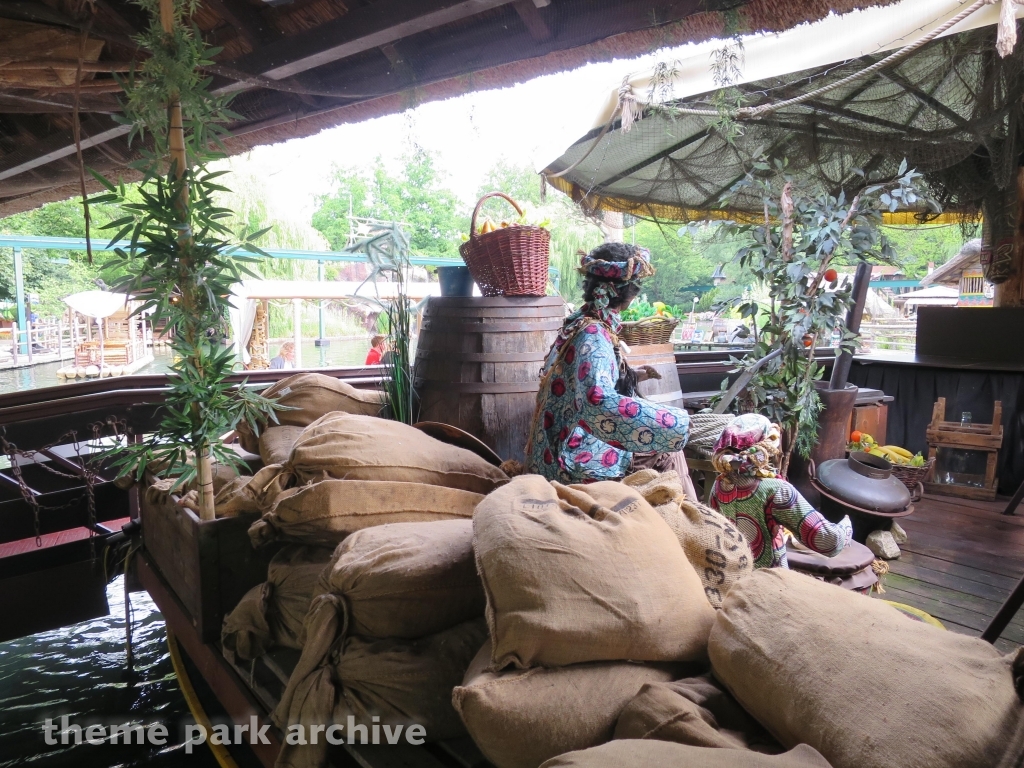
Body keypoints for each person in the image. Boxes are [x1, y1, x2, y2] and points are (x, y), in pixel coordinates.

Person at [526, 242, 696, 494]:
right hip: (570, 459)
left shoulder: (580, 324)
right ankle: (687, 523)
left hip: (553, 446)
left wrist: (632, 375)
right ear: (628, 294)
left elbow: (583, 385)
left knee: (665, 436)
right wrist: (675, 422)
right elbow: (597, 401)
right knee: (669, 449)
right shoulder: (594, 334)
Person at [708, 413, 853, 569]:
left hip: (731, 576)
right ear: (767, 446)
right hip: (768, 581)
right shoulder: (775, 491)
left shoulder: (718, 487)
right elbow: (827, 541)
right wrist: (846, 528)